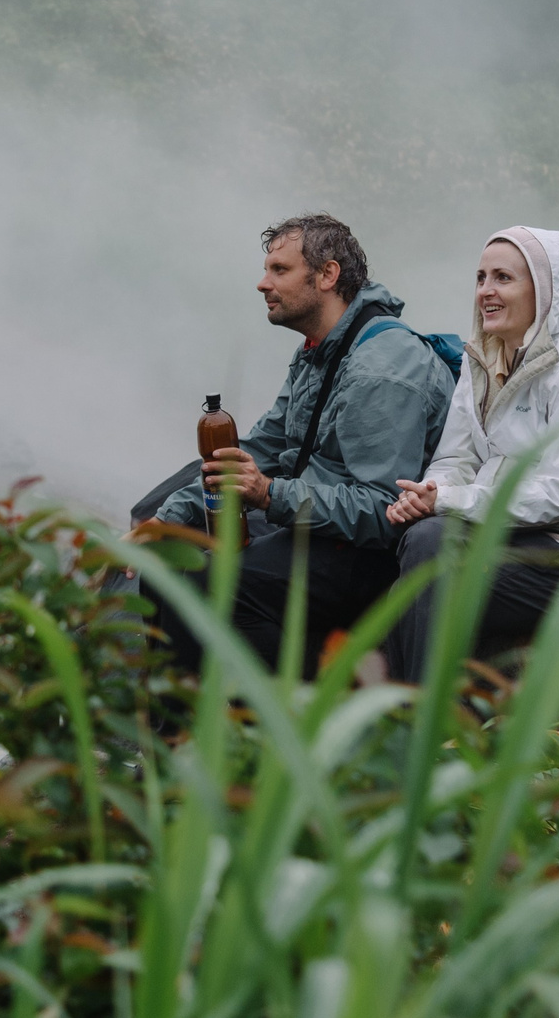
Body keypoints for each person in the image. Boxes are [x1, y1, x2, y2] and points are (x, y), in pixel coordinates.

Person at [132, 214, 456, 676]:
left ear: (327, 275)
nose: (262, 284)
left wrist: (269, 494)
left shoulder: (382, 368)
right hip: (316, 525)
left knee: (209, 582)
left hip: (367, 553)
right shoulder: (319, 349)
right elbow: (262, 447)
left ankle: (286, 725)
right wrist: (168, 520)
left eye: (279, 270)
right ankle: (173, 739)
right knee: (168, 562)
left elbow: (385, 509)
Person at [380, 227, 559, 685]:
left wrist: (448, 502)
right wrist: (432, 492)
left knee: (425, 575)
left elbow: (558, 495)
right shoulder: (483, 363)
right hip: (498, 538)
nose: (486, 291)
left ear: (545, 291)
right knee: (420, 541)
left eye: (503, 278)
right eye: (480, 277)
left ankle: (412, 720)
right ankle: (419, 717)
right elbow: (456, 458)